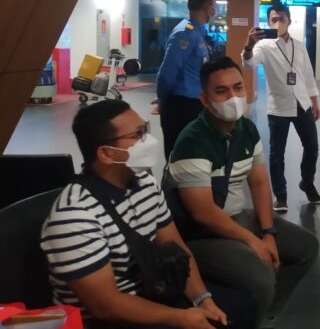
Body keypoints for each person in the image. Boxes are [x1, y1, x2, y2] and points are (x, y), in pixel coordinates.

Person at [40, 99, 256, 329]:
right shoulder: (73, 217)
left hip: (152, 289)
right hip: (107, 320)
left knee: (241, 308)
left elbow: (175, 246)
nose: (148, 140)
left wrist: (203, 299)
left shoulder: (144, 183)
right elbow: (105, 306)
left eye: (145, 130)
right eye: (137, 135)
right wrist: (180, 317)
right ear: (106, 153)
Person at [163, 56, 319, 329]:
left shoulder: (246, 129)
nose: (233, 97)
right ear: (204, 99)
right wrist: (252, 241)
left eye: (238, 88)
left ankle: (263, 313)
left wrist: (268, 233)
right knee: (261, 276)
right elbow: (203, 212)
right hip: (201, 235)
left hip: (237, 218)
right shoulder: (192, 141)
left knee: (306, 248)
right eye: (221, 91)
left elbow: (258, 182)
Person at [242, 4, 320, 212]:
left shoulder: (299, 46)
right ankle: (281, 194)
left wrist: (314, 101)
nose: (276, 23)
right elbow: (249, 64)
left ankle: (307, 182)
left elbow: (308, 75)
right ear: (269, 22)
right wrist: (249, 46)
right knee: (277, 153)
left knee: (312, 146)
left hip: (302, 103)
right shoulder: (263, 46)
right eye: (273, 19)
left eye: (281, 19)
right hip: (278, 106)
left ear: (289, 21)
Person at [157, 0, 219, 160]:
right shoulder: (185, 33)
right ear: (208, 6)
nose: (215, 7)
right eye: (214, 3)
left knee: (195, 156)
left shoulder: (198, 32)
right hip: (182, 107)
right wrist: (163, 100)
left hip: (196, 105)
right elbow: (167, 72)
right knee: (179, 158)